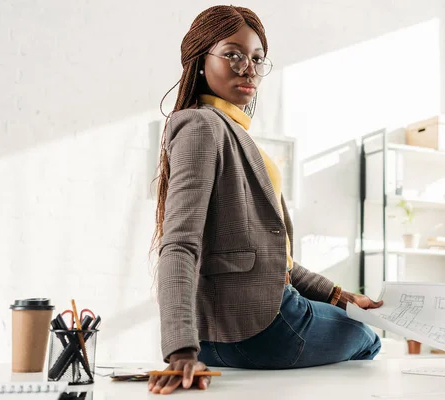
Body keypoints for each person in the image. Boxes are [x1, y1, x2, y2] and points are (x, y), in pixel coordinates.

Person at [148, 5, 384, 395]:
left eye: (257, 58)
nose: (249, 67)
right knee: (369, 338)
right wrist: (179, 351)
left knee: (356, 327)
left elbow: (271, 259)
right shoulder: (202, 125)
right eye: (234, 54)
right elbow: (179, 243)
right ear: (199, 60)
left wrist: (339, 296)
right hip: (263, 330)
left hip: (220, 342)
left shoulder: (229, 131)